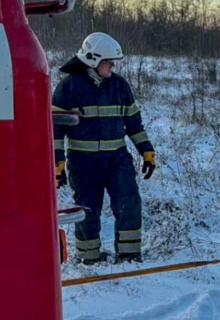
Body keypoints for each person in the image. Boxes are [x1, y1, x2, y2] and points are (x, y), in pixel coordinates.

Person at [53, 32, 156, 264]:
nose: (112, 67)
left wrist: (146, 151)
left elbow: (133, 122)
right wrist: (57, 163)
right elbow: (55, 130)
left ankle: (129, 255)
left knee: (129, 203)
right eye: (109, 62)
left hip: (117, 160)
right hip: (83, 161)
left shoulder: (119, 85)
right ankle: (89, 258)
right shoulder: (68, 87)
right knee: (88, 209)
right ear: (92, 60)